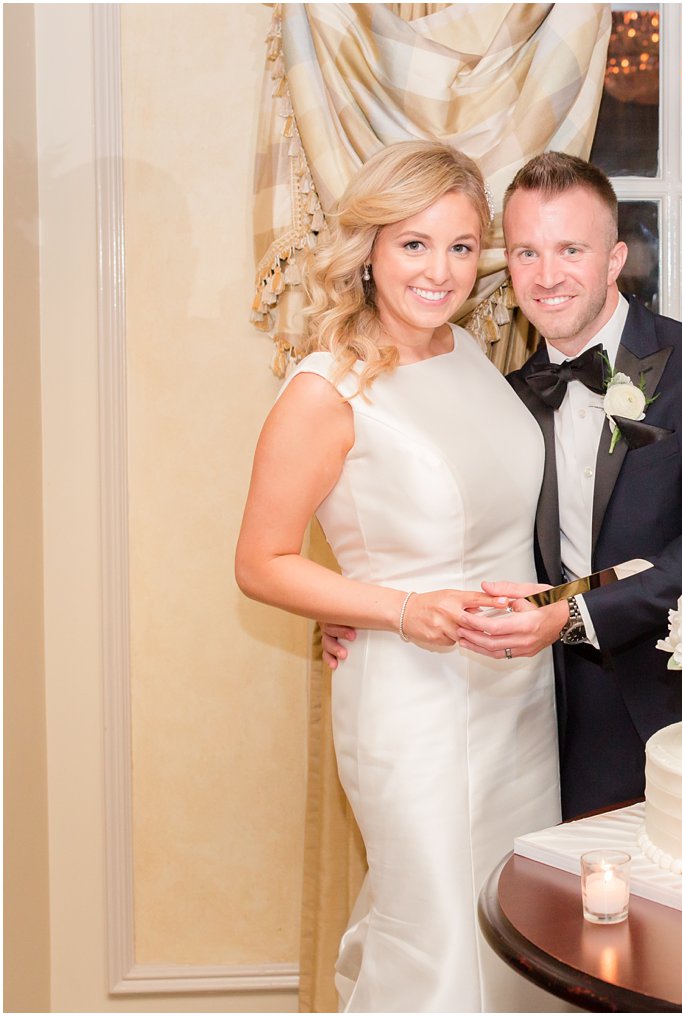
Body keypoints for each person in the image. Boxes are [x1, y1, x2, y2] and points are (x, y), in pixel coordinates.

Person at [323, 152, 682, 821]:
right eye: (527, 253)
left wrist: (574, 615)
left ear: (615, 258)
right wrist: (361, 606)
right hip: (527, 709)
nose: (548, 276)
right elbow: (452, 527)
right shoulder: (503, 395)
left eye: (571, 249)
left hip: (677, 705)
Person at [235, 141, 562, 1012]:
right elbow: (260, 564)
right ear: (369, 250)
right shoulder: (326, 389)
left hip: (516, 697)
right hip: (413, 704)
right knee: (437, 937)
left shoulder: (467, 354)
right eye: (413, 243)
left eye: (460, 246)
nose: (440, 270)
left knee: (513, 928)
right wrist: (399, 607)